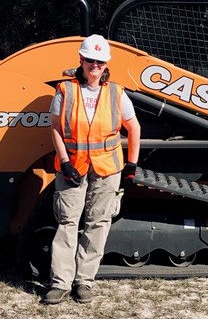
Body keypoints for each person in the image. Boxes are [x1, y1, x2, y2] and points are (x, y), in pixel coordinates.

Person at [43, 34, 141, 304]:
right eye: (89, 60)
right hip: (72, 167)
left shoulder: (116, 92)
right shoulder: (65, 90)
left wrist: (131, 164)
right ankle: (60, 283)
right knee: (67, 223)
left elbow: (133, 127)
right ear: (81, 60)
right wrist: (64, 162)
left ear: (105, 63)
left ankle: (84, 281)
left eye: (99, 61)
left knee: (98, 223)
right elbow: (54, 128)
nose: (94, 65)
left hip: (107, 168)